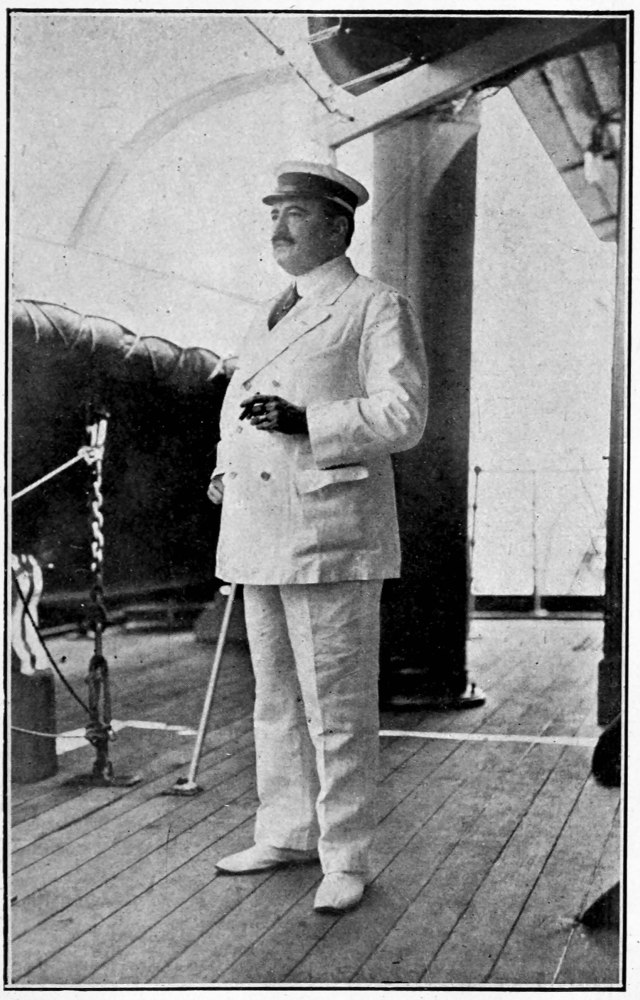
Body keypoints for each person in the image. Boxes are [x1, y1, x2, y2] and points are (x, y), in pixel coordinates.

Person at [208, 161, 428, 913]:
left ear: (338, 226)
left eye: (295, 214)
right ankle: (288, 831)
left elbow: (404, 414)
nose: (278, 227)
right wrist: (224, 468)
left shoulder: (374, 306)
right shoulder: (271, 310)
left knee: (335, 704)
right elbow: (238, 405)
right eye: (273, 213)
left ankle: (347, 855)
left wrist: (312, 423)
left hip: (330, 531)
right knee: (274, 699)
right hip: (259, 527)